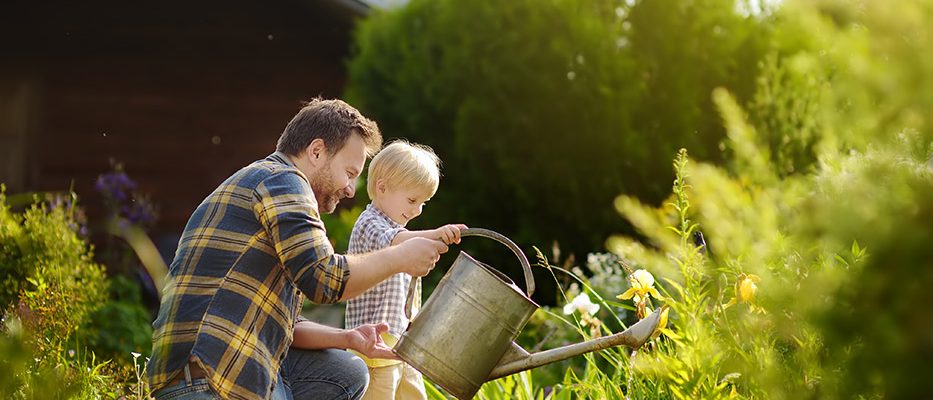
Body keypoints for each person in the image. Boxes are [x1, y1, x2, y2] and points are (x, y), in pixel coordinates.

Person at [145, 99, 449, 400]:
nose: (350, 189)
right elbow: (324, 279)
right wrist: (399, 257)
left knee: (349, 372)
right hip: (205, 379)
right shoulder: (283, 181)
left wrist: (348, 338)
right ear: (316, 151)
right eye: (350, 172)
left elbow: (289, 326)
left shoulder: (269, 187)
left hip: (238, 370)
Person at [344, 140, 465, 400]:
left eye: (424, 203)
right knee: (380, 392)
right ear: (382, 187)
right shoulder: (369, 223)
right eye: (412, 199)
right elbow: (395, 240)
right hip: (374, 339)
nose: (417, 209)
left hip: (400, 337)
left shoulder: (398, 229)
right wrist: (436, 234)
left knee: (413, 393)